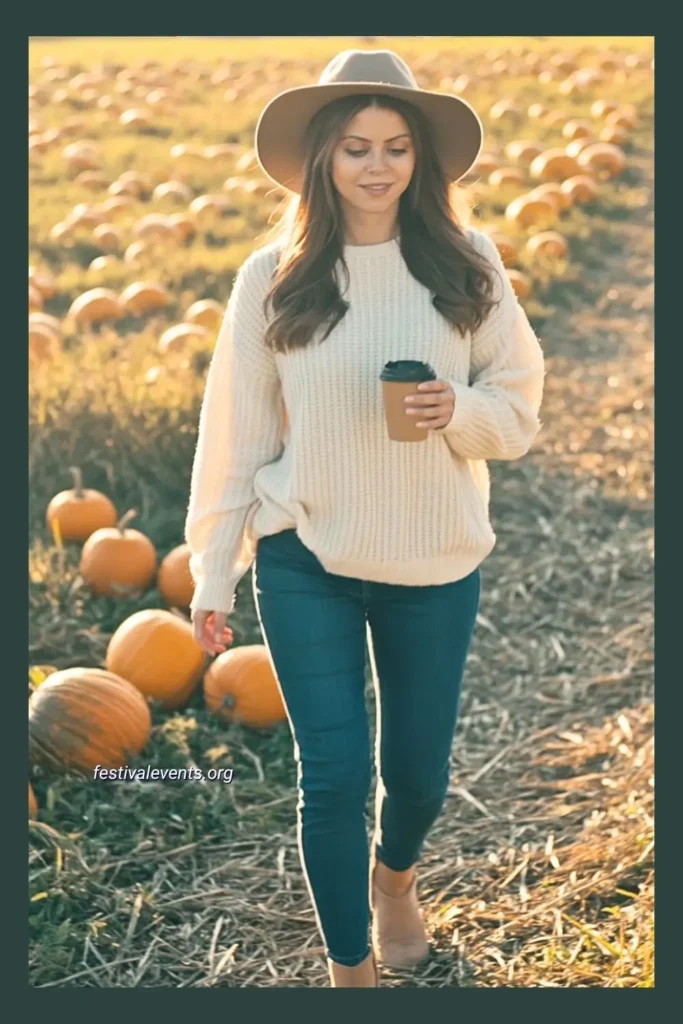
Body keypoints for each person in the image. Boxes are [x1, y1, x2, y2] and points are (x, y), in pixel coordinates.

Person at [185, 48, 546, 988]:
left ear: (420, 160)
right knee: (331, 778)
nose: (376, 166)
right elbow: (234, 436)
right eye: (355, 148)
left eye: (394, 147)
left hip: (433, 557)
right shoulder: (273, 276)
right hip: (307, 555)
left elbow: (516, 413)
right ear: (323, 159)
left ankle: (396, 879)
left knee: (417, 773)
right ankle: (350, 975)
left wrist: (454, 414)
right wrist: (213, 571)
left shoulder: (467, 268)